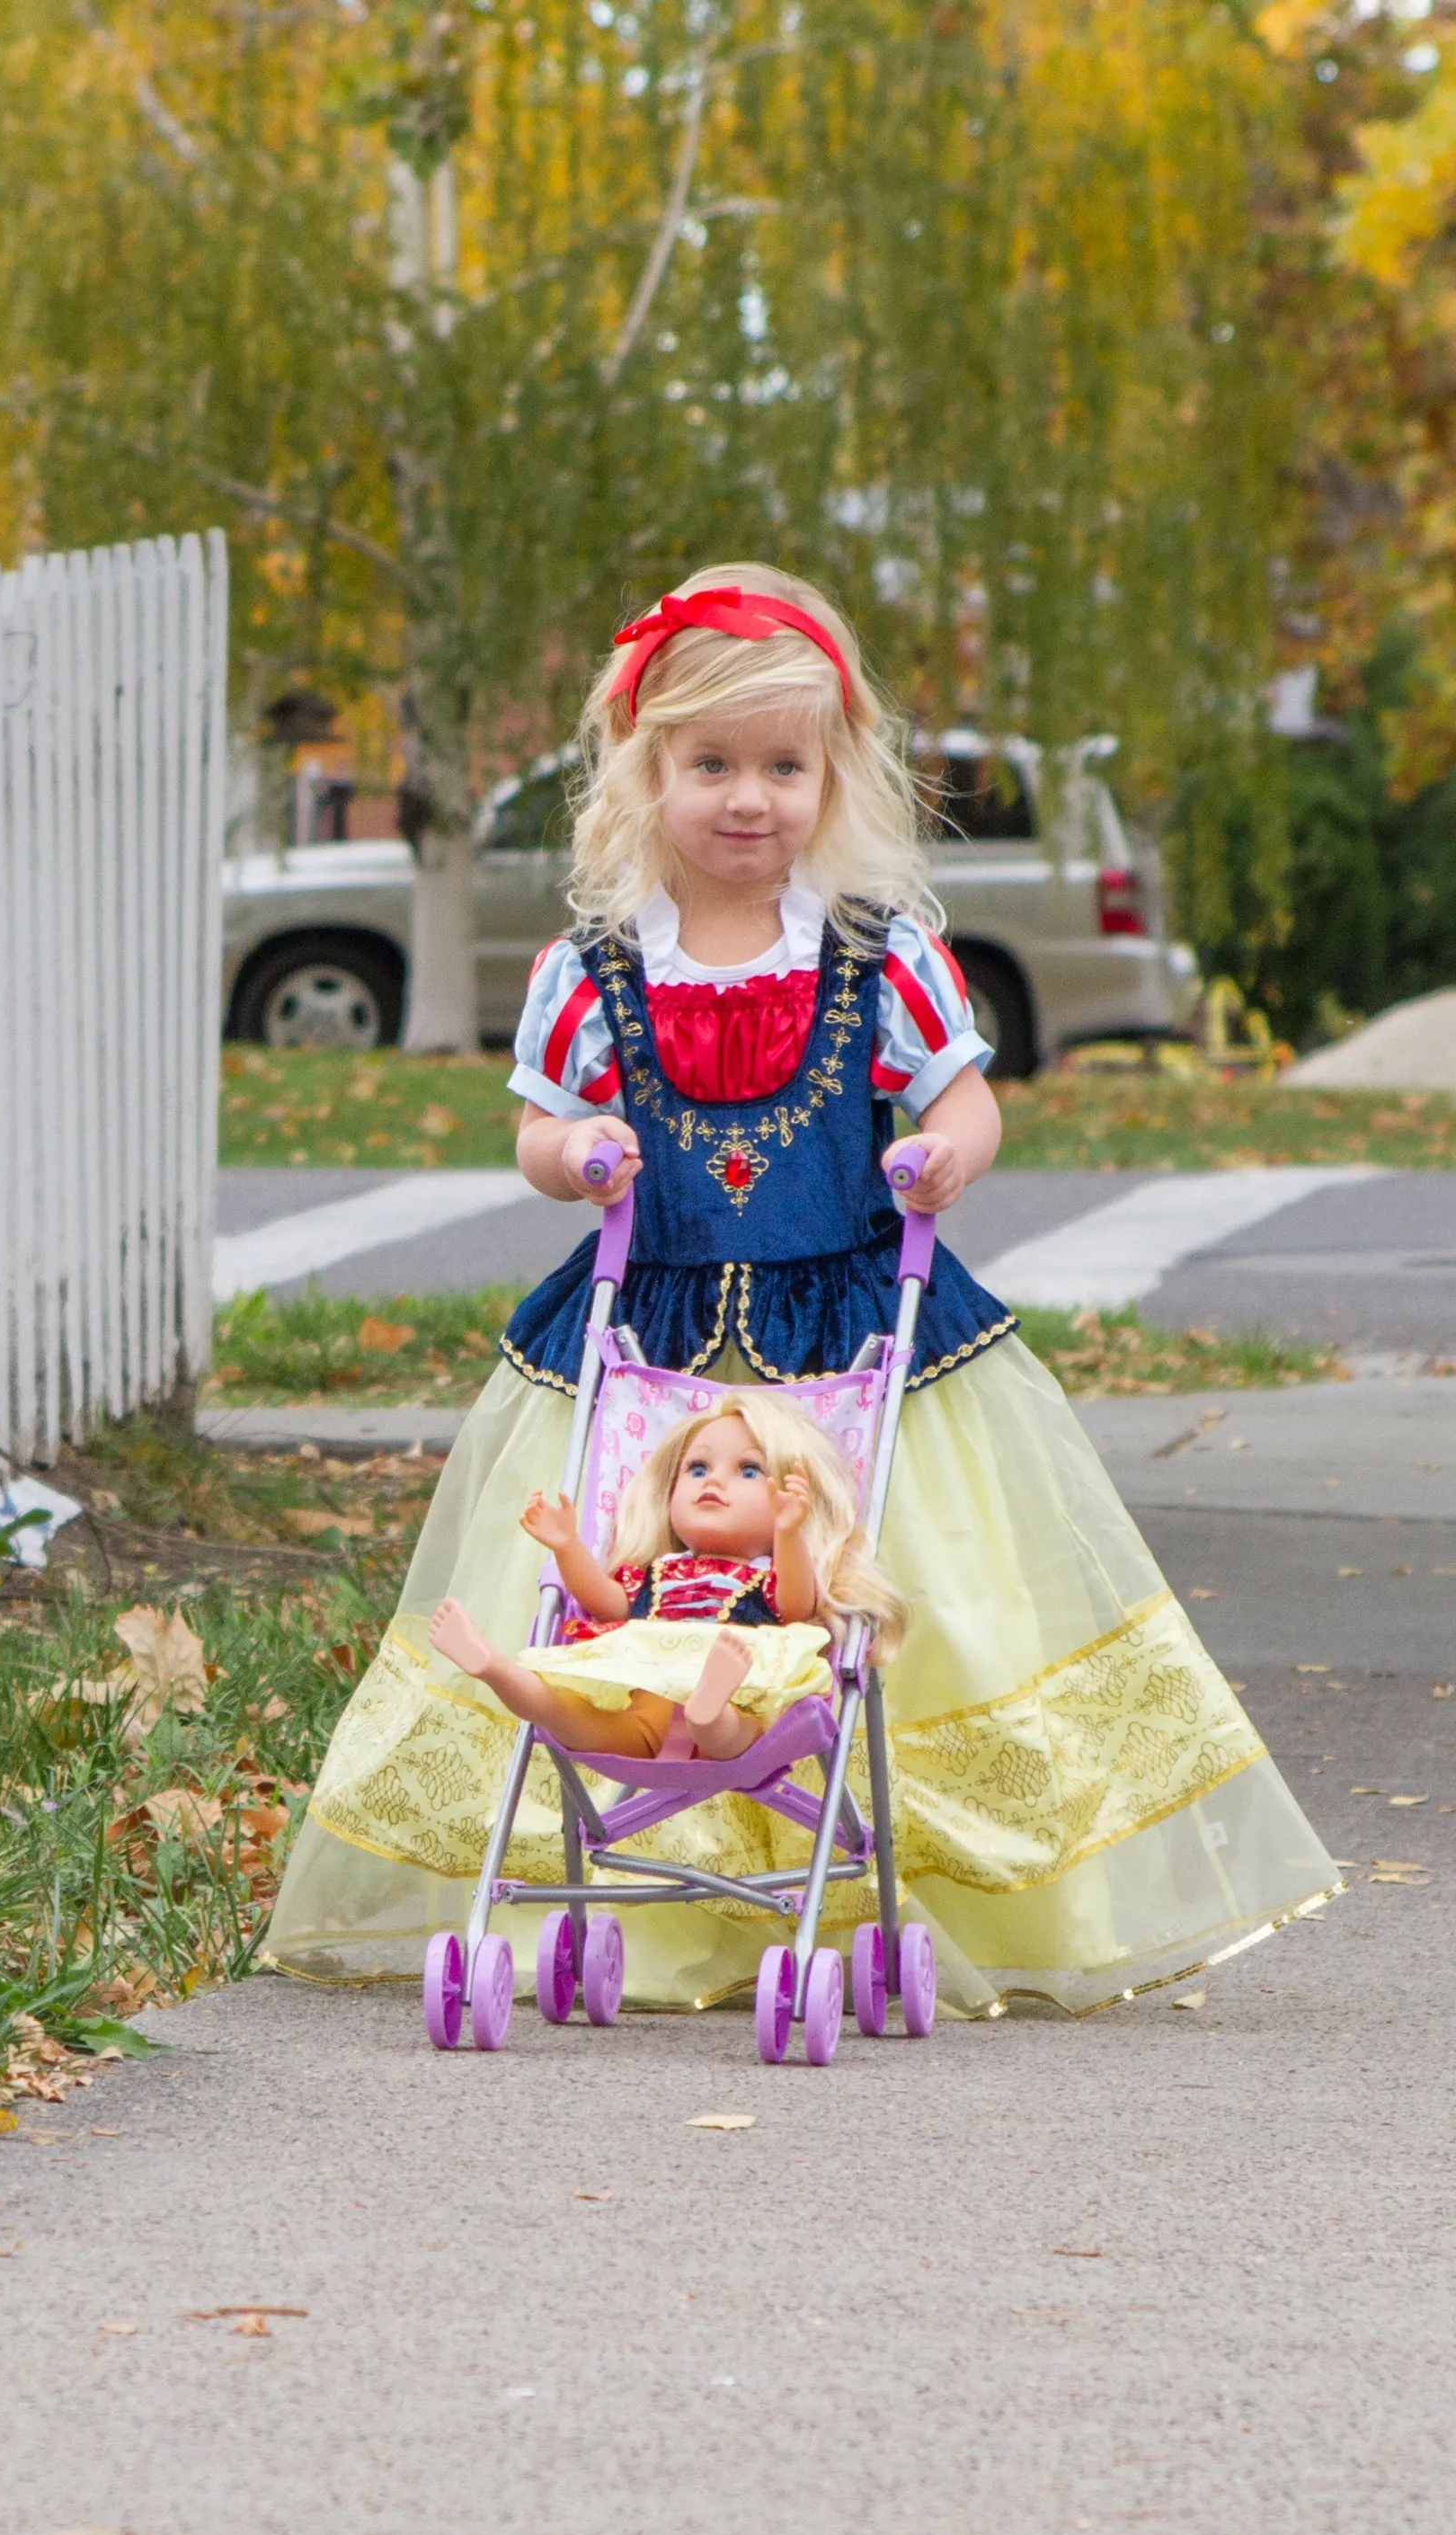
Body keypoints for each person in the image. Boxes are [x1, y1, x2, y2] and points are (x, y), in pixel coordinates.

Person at [262, 563, 1338, 2015]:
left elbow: (966, 1098)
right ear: (649, 774)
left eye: (783, 765)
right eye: (711, 765)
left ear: (832, 776)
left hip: (854, 1330)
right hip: (650, 1334)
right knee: (630, 1601)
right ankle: (617, 1886)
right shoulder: (594, 966)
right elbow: (532, 1129)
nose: (748, 798)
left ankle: (916, 1879)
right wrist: (577, 1149)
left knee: (882, 1601)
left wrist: (942, 1156)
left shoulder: (874, 951)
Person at [429, 1391, 905, 1766]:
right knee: (588, 1723)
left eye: (748, 1470)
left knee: (746, 1733)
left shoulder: (765, 1575)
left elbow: (796, 1606)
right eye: (697, 1468)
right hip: (652, 1688)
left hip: (742, 1684)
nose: (712, 1481)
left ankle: (708, 1711)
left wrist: (788, 1533)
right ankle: (497, 1670)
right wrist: (567, 1545)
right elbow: (607, 1604)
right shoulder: (659, 1573)